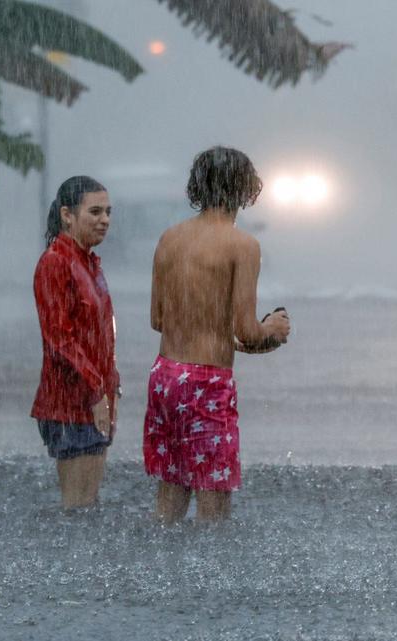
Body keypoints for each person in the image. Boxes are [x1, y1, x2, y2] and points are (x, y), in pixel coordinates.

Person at [143, 146, 291, 524]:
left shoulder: (169, 239)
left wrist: (211, 327)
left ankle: (161, 573)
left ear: (198, 186)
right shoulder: (242, 246)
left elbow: (158, 318)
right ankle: (211, 580)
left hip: (165, 377)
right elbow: (245, 329)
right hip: (205, 382)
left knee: (172, 492)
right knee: (214, 504)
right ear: (246, 191)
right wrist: (272, 328)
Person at [31, 176, 120, 509]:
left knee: (88, 506)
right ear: (67, 215)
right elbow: (59, 338)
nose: (105, 220)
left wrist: (113, 386)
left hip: (94, 397)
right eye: (95, 212)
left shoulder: (89, 261)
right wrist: (97, 389)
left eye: (108, 212)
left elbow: (101, 333)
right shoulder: (55, 262)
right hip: (68, 402)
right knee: (78, 508)